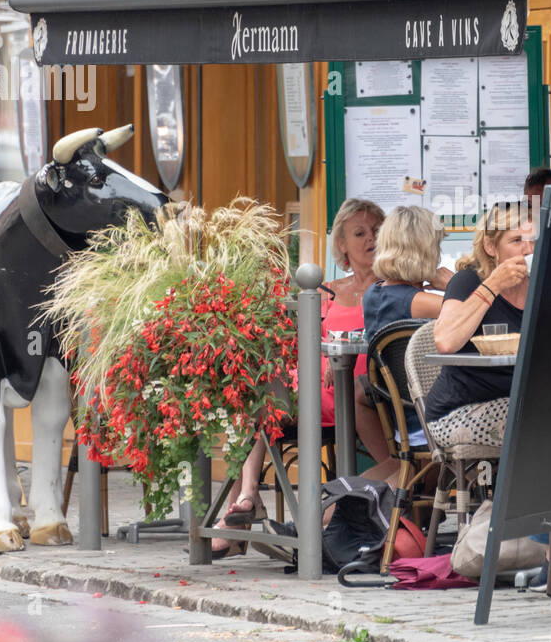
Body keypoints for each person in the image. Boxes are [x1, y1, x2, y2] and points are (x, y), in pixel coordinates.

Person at [212, 198, 388, 558]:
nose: (371, 239)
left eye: (376, 231)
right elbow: (298, 345)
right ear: (341, 244)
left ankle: (243, 507)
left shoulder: (390, 290)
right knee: (257, 390)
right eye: (360, 233)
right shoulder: (325, 291)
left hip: (357, 397)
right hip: (312, 392)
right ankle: (246, 497)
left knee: (263, 402)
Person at [423, 201, 533, 445]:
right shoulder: (468, 281)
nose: (527, 250)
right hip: (460, 410)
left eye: (534, 240)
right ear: (491, 246)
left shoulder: (543, 285)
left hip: (524, 402)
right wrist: (494, 284)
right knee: (540, 426)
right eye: (516, 241)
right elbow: (446, 341)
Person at [363, 205, 451, 337]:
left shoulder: (372, 293)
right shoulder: (414, 301)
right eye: (436, 245)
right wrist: (454, 285)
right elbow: (476, 312)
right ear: (425, 251)